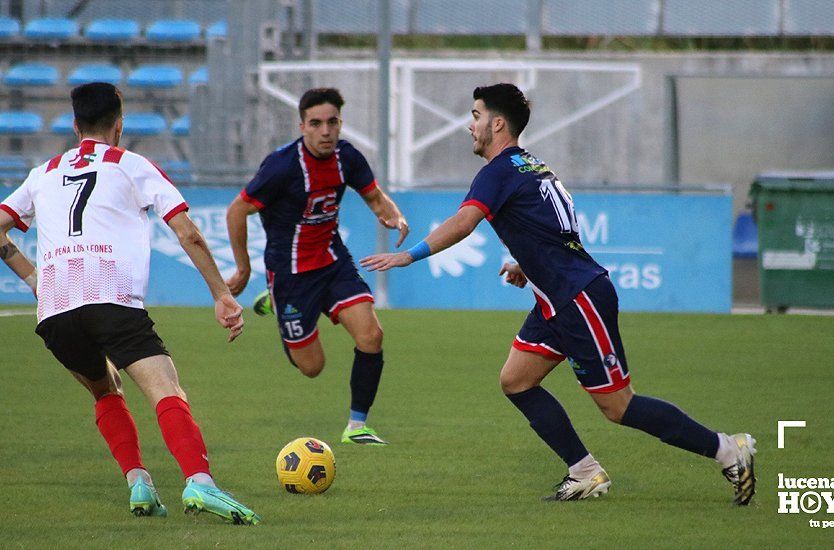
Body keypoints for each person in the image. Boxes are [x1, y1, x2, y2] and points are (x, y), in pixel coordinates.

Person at [361, 83, 757, 504]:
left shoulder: (499, 171)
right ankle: (585, 471)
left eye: (476, 115)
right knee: (516, 381)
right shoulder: (531, 166)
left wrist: (410, 257)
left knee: (619, 406)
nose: (470, 125)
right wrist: (526, 267)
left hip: (578, 298)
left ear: (497, 123)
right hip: (557, 298)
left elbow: (464, 222)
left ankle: (729, 450)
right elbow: (557, 230)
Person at [0, 83, 259, 524]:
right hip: (111, 299)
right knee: (166, 390)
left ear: (76, 125)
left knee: (105, 391)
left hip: (57, 308)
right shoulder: (131, 164)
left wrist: (35, 279)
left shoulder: (42, 172)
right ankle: (201, 482)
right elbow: (188, 233)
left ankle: (139, 482)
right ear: (119, 125)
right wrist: (221, 293)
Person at [226, 87, 409, 446]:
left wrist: (396, 216)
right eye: (316, 123)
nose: (325, 131)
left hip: (332, 261)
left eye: (332, 122)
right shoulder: (281, 166)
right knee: (313, 368)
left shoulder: (348, 157)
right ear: (302, 126)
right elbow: (237, 210)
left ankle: (357, 426)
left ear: (340, 123)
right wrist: (243, 269)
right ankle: (279, 304)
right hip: (291, 274)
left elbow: (373, 196)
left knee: (372, 336)